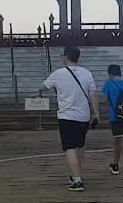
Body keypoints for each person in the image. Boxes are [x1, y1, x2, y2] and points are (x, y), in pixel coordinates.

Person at [40, 45, 99, 191]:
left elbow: (43, 87)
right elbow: (93, 94)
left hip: (67, 116)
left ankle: (77, 180)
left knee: (70, 148)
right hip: (83, 116)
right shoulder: (87, 73)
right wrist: (96, 113)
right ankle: (76, 174)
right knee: (80, 146)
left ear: (66, 57)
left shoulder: (58, 74)